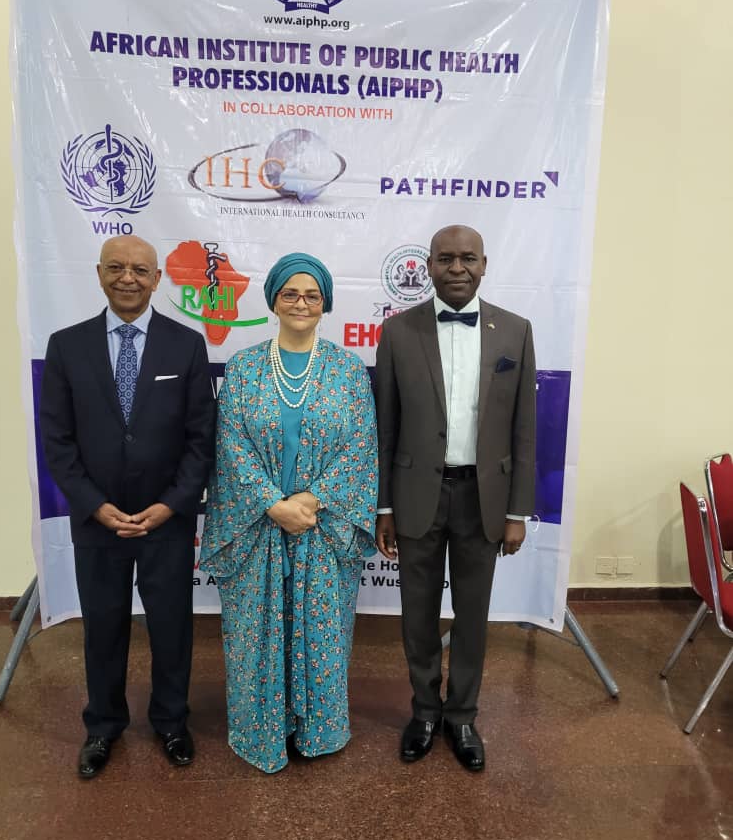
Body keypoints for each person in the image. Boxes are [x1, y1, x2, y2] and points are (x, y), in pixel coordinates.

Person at [39, 235, 215, 778]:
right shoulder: (66, 346)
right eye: (116, 268)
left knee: (171, 626)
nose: (128, 278)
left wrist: (172, 505)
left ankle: (170, 722)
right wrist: (94, 505)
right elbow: (58, 441)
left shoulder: (186, 344)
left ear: (158, 278)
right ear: (98, 274)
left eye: (140, 269)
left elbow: (201, 439)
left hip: (166, 519)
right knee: (104, 626)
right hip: (99, 520)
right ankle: (103, 726)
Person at [201, 252, 377, 774]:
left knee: (322, 636)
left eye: (312, 295)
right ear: (274, 301)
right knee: (256, 634)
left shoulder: (347, 369)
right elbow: (229, 445)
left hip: (323, 528)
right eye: (290, 294)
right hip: (258, 526)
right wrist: (273, 504)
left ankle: (316, 728)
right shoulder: (245, 366)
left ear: (325, 304)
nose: (301, 303)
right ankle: (263, 731)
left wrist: (313, 499)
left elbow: (361, 447)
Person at [374, 224, 536, 772]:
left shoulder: (515, 332)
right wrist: (384, 506)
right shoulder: (397, 334)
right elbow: (385, 429)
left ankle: (462, 714)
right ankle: (424, 710)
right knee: (416, 613)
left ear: (485, 264)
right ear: (429, 265)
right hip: (417, 494)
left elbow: (524, 430)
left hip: (483, 499)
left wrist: (517, 511)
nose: (458, 268)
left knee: (473, 613)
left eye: (468, 258)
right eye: (446, 258)